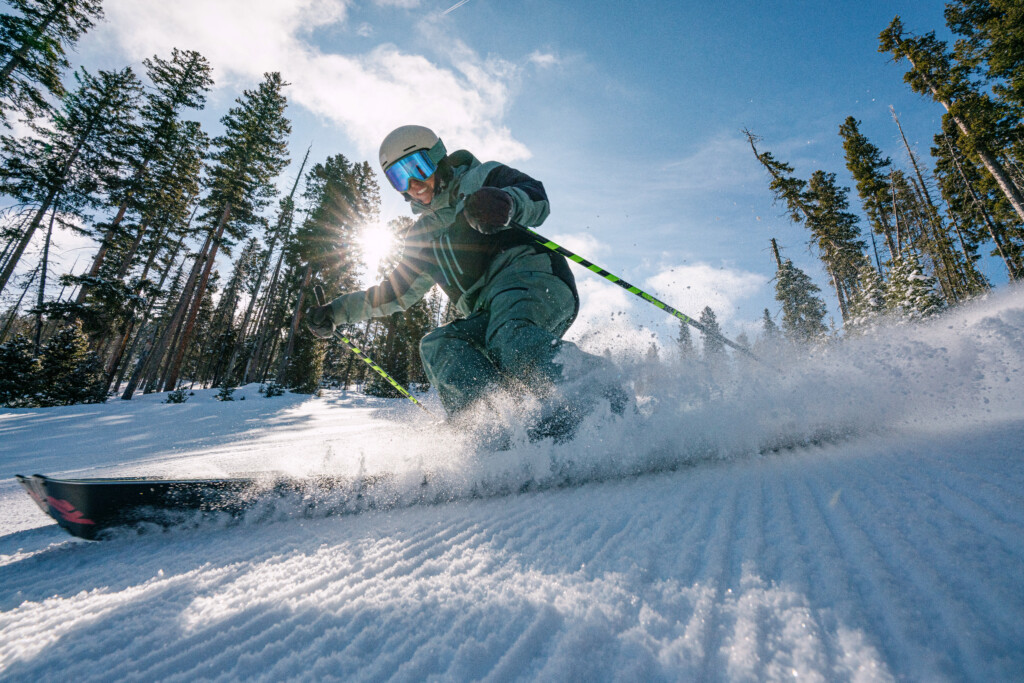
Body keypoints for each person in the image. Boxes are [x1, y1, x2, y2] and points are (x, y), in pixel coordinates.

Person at [306, 125, 625, 438]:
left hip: (531, 275)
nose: (414, 184)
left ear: (437, 157)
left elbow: (536, 197)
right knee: (439, 345)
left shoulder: (480, 179)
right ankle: (495, 430)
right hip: (487, 312)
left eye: (417, 166)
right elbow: (392, 293)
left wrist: (505, 203)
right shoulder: (421, 237)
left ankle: (603, 399)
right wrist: (335, 312)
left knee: (510, 336)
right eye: (399, 177)